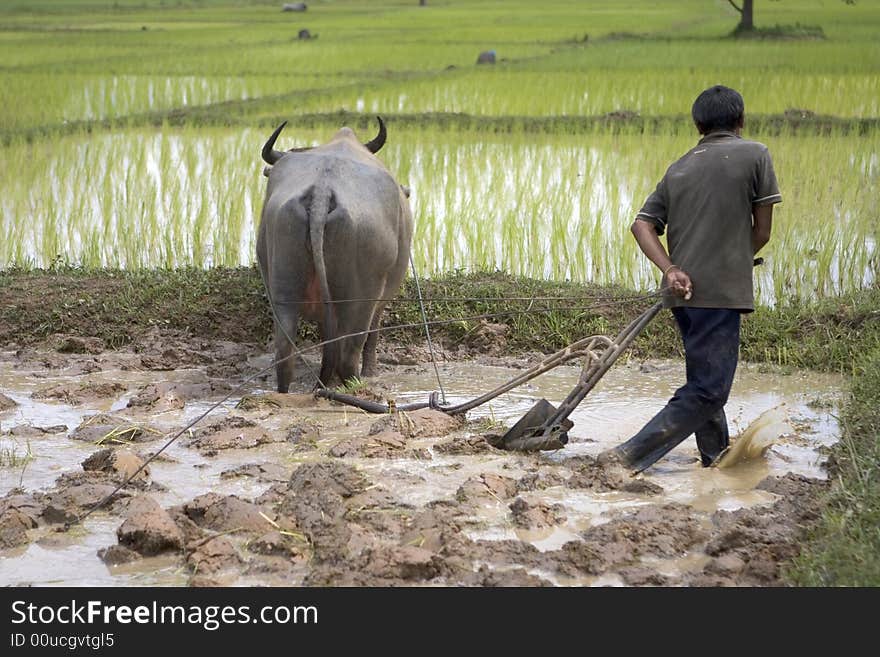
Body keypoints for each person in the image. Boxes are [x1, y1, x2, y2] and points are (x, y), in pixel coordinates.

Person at [601, 84, 781, 473]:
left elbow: (642, 225)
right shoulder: (755, 154)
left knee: (704, 378)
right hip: (718, 294)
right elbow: (762, 232)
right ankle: (627, 457)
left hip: (681, 294)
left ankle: (715, 459)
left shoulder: (679, 166)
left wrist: (671, 269)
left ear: (698, 124)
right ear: (741, 120)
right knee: (709, 389)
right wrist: (731, 262)